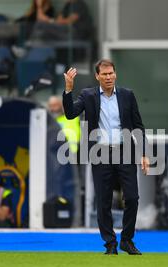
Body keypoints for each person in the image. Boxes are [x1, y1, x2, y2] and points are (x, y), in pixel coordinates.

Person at [63, 59, 150, 255]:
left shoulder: (128, 95)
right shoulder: (88, 95)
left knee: (133, 198)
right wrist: (69, 89)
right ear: (97, 76)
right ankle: (110, 242)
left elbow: (138, 126)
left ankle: (126, 240)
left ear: (115, 74)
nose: (108, 77)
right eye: (104, 74)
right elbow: (70, 114)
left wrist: (144, 153)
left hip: (124, 151)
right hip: (100, 152)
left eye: (111, 73)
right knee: (103, 200)